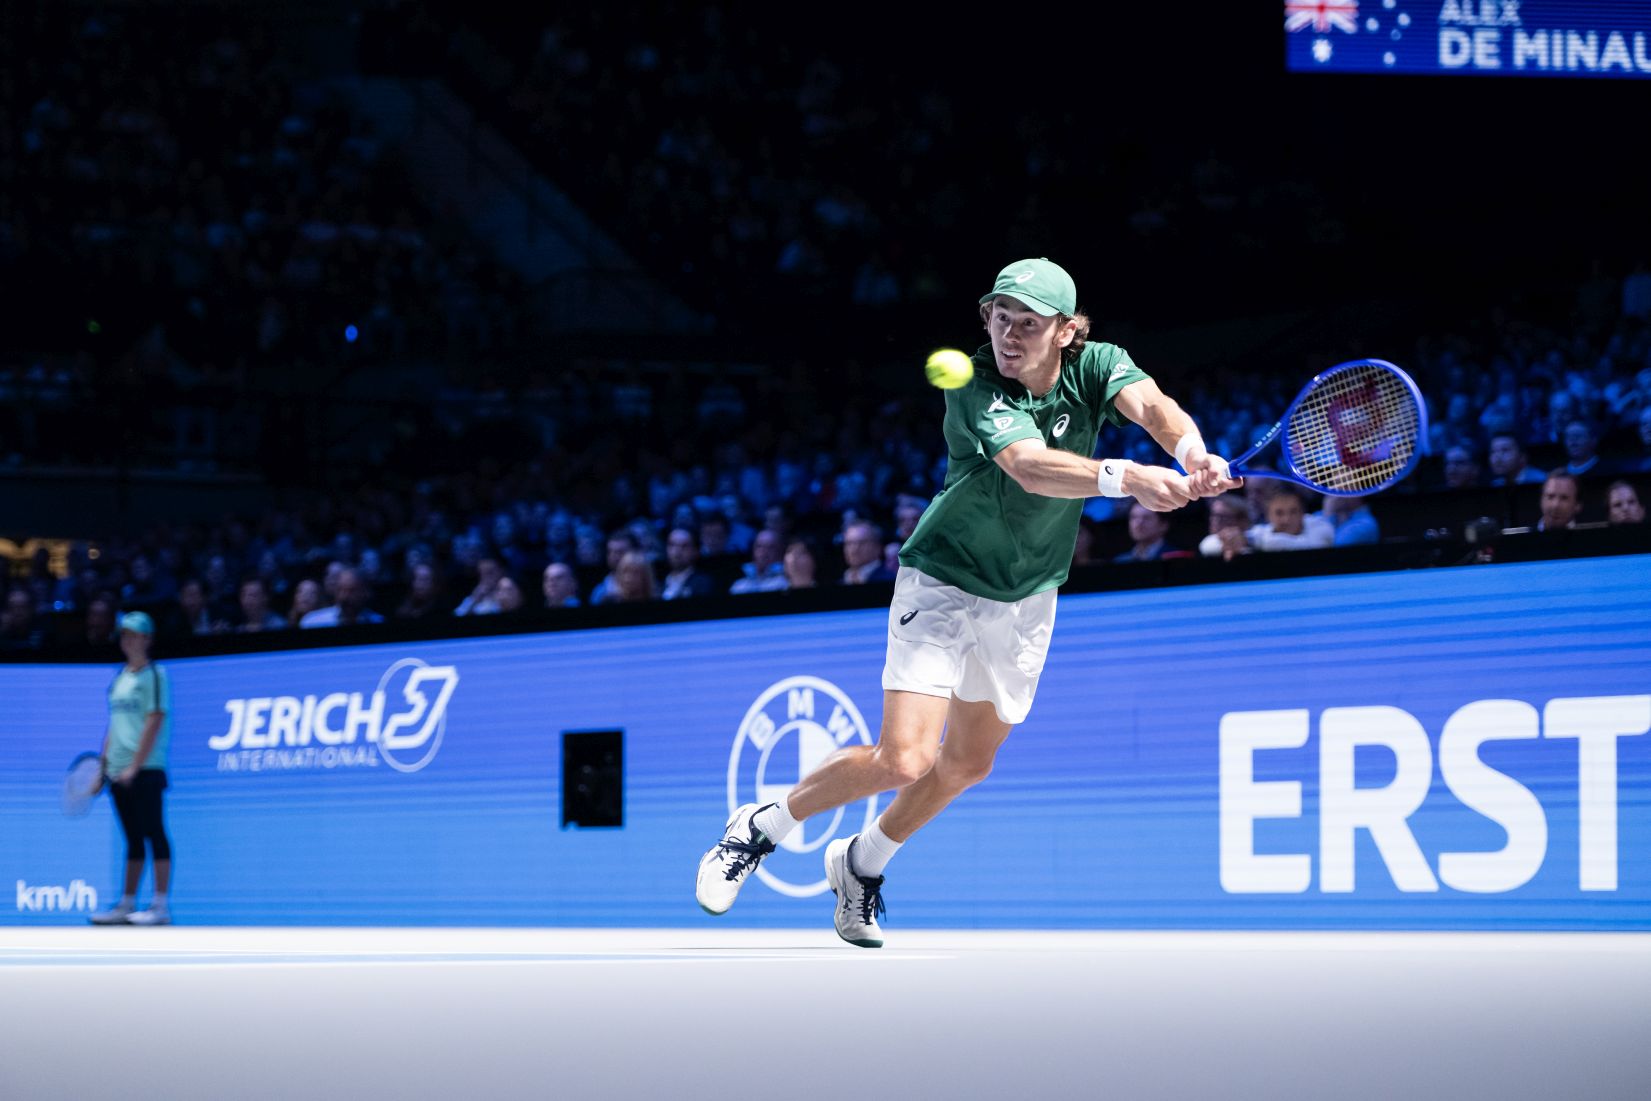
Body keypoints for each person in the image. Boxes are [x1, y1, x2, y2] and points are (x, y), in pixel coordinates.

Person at [695, 257, 1236, 946]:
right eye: (1000, 318)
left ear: (1066, 331)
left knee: (968, 763)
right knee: (904, 757)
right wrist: (1125, 477)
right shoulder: (974, 383)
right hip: (943, 579)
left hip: (1027, 593)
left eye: (1029, 323)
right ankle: (760, 826)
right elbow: (1029, 466)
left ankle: (861, 863)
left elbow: (1152, 406)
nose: (1009, 335)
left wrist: (1192, 452)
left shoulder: (1097, 364)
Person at [88, 612, 174, 926]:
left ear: (147, 639)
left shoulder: (155, 675)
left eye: (134, 634)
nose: (127, 640)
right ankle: (126, 904)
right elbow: (114, 726)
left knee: (155, 833)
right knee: (133, 838)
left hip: (147, 769)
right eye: (124, 634)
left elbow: (155, 719)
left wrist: (135, 767)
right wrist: (103, 768)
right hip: (117, 771)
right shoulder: (119, 678)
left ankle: (160, 906)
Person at [1245, 485, 1335, 552]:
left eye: (1293, 512)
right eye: (1279, 513)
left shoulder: (1322, 527)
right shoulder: (1259, 532)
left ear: (1302, 512)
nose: (1286, 519)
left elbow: (1314, 546)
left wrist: (1266, 543)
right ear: (1268, 515)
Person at [298, 568, 384, 627]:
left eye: (351, 591)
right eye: (340, 590)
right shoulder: (312, 622)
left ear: (364, 593)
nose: (344, 596)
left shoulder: (378, 621)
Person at [1113, 499, 1178, 562]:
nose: (1138, 523)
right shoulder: (1120, 561)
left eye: (1146, 518)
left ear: (1163, 525)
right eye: (1134, 517)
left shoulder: (1176, 557)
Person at [660, 527, 716, 600]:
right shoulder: (659, 583)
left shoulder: (703, 584)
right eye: (672, 545)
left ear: (695, 551)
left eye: (684, 546)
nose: (677, 552)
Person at [729, 529, 788, 594]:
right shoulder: (739, 585)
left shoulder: (785, 583)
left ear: (780, 552)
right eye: (759, 546)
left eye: (770, 547)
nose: (764, 552)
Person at [839, 520, 896, 584]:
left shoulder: (891, 579)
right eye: (849, 543)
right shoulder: (843, 580)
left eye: (862, 543)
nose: (854, 549)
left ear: (877, 547)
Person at [1197, 493, 1252, 560]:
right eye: (1214, 515)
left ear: (1242, 521)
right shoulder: (1208, 542)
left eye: (1223, 517)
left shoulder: (1256, 536)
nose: (1216, 521)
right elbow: (1207, 546)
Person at [1312, 493, 1380, 546]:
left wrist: (1328, 515)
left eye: (1346, 486)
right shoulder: (1319, 515)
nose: (1337, 491)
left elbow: (1332, 547)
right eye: (1335, 484)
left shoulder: (1366, 525)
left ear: (1361, 491)